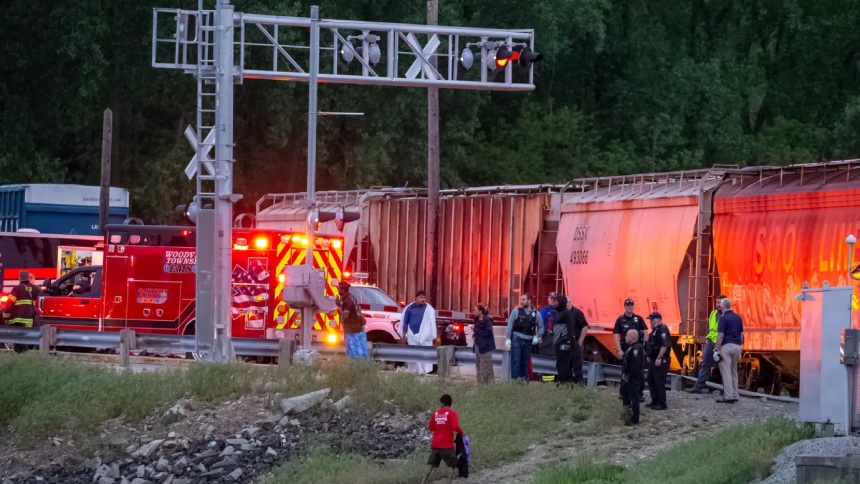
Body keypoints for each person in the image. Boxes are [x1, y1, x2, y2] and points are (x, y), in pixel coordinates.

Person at [686, 294, 726, 393]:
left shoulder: (727, 315)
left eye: (720, 303)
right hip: (711, 343)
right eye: (717, 302)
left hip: (722, 344)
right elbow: (709, 327)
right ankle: (699, 386)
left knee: (723, 366)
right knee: (705, 364)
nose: (718, 305)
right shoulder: (713, 313)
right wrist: (707, 337)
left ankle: (725, 389)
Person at [421, 394, 464, 484]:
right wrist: (461, 433)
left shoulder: (436, 413)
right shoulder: (452, 413)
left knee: (430, 464)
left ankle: (423, 482)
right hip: (447, 445)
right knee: (451, 465)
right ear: (450, 403)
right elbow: (455, 426)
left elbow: (431, 427)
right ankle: (448, 482)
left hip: (435, 444)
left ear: (442, 403)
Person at [613, 299, 647, 401]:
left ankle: (639, 394)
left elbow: (645, 331)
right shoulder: (620, 320)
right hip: (626, 349)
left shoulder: (638, 319)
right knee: (625, 371)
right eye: (628, 305)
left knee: (639, 372)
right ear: (624, 306)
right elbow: (616, 335)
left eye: (631, 305)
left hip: (637, 349)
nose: (630, 307)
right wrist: (619, 350)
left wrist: (645, 345)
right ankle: (623, 394)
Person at [505, 294, 544, 381]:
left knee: (525, 363)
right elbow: (510, 325)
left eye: (523, 299)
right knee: (516, 363)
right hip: (516, 339)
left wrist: (536, 336)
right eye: (521, 299)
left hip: (528, 341)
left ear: (529, 301)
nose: (521, 301)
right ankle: (515, 383)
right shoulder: (516, 311)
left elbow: (541, 328)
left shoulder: (537, 314)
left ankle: (523, 383)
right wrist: (508, 338)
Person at [715, 297, 744, 403]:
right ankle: (735, 395)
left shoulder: (723, 318)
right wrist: (740, 346)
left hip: (726, 346)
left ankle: (728, 396)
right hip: (737, 346)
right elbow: (741, 335)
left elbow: (720, 335)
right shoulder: (738, 317)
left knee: (726, 372)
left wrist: (716, 349)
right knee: (734, 371)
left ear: (722, 306)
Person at [402, 290, 437, 374]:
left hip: (425, 337)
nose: (422, 299)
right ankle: (413, 373)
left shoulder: (429, 309)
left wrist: (433, 335)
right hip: (412, 335)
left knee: (423, 355)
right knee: (413, 354)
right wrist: (404, 334)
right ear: (416, 298)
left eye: (424, 298)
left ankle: (423, 373)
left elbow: (432, 323)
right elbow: (405, 321)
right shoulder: (410, 308)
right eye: (420, 297)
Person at [334, 281, 368, 359]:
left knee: (354, 354)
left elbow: (345, 316)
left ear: (343, 290)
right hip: (358, 328)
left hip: (352, 331)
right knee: (361, 352)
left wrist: (339, 306)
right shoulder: (352, 297)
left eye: (338, 289)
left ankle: (356, 369)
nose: (338, 290)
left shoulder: (346, 301)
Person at [645, 312, 671, 410]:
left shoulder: (662, 330)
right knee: (651, 380)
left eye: (652, 319)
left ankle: (662, 403)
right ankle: (654, 400)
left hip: (660, 360)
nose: (650, 321)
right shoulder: (655, 331)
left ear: (659, 320)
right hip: (653, 359)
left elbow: (664, 345)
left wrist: (659, 357)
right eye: (650, 319)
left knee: (659, 381)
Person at [8, 271, 38, 353]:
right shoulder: (36, 289)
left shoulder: (17, 288)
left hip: (18, 319)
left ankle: (21, 354)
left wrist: (5, 315)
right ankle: (26, 354)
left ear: (20, 278)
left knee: (18, 341)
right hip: (30, 320)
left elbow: (10, 303)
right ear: (28, 278)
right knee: (26, 339)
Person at [620, 329, 645, 425]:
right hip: (628, 376)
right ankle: (626, 414)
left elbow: (636, 364)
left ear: (632, 337)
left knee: (634, 397)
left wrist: (629, 374)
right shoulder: (631, 347)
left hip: (633, 377)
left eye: (627, 335)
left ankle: (635, 419)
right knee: (625, 395)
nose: (625, 337)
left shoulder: (636, 348)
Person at [552, 295, 573, 384]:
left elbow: (571, 327)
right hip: (558, 340)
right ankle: (563, 380)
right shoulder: (557, 313)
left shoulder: (567, 313)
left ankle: (564, 382)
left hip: (564, 340)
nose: (555, 303)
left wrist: (568, 341)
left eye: (557, 301)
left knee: (563, 363)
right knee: (559, 362)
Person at [536, 292, 557, 382]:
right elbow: (538, 323)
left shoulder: (558, 311)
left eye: (554, 298)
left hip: (555, 339)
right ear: (548, 299)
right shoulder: (544, 311)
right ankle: (544, 380)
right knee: (545, 359)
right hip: (545, 339)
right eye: (551, 298)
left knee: (554, 359)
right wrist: (538, 336)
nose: (552, 300)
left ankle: (552, 380)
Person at [568, 298, 589, 384]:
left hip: (576, 342)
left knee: (577, 364)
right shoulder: (563, 313)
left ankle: (579, 384)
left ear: (569, 302)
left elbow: (585, 326)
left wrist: (580, 341)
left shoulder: (577, 313)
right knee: (567, 364)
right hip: (567, 342)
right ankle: (568, 383)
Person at [472, 304, 495, 384]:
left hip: (486, 346)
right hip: (478, 344)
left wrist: (477, 330)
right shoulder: (476, 319)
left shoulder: (487, 320)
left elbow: (489, 332)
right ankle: (480, 383)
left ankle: (488, 384)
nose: (474, 312)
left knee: (486, 367)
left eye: (475, 310)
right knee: (478, 365)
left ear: (480, 311)